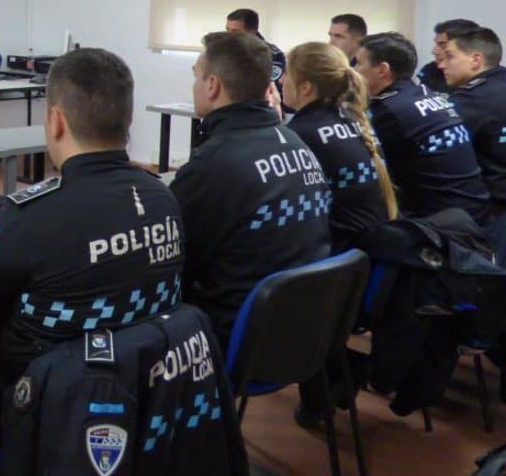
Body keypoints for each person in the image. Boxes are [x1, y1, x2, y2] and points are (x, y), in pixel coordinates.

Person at [0, 48, 185, 442]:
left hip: (39, 409)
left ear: (56, 121)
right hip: (143, 396)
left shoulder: (25, 219)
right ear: (128, 119)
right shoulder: (164, 198)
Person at [170, 31, 330, 350]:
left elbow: (175, 261)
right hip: (304, 326)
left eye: (197, 77)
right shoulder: (295, 141)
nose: (195, 86)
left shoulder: (214, 164)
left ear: (213, 85)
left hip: (239, 334)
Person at [355, 31, 492, 223]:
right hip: (472, 212)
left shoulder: (389, 110)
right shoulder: (428, 95)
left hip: (438, 226)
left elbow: (364, 166)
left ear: (382, 70)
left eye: (359, 63)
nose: (355, 71)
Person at [283, 42, 395, 251]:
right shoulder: (351, 117)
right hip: (368, 246)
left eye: (287, 74)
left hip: (338, 251)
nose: (281, 80)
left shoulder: (300, 133)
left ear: (305, 87)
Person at [441, 26, 506, 256]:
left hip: (495, 211)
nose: (441, 65)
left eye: (449, 56)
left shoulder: (472, 99)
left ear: (476, 59)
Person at [225, 7, 287, 101]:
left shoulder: (272, 55)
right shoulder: (224, 52)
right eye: (227, 31)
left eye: (235, 32)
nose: (229, 37)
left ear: (252, 33)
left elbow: (269, 89)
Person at [417, 18, 479, 95]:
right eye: (436, 44)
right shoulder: (430, 70)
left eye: (443, 45)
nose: (434, 51)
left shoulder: (489, 83)